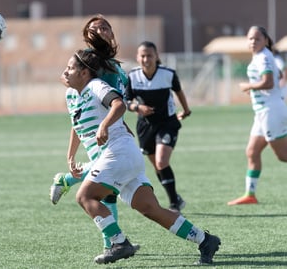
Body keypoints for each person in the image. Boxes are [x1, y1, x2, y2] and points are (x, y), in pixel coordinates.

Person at [61, 48, 220, 265]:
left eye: (70, 68)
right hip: (120, 157)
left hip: (118, 152)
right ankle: (205, 240)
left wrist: (105, 125)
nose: (65, 72)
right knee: (151, 209)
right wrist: (70, 155)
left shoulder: (96, 86)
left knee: (85, 196)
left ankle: (119, 243)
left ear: (84, 73)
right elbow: (76, 124)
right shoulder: (71, 95)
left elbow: (119, 104)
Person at [49, 14, 138, 254]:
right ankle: (67, 180)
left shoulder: (116, 65)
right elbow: (77, 87)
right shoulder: (93, 62)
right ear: (87, 36)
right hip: (99, 131)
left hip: (113, 128)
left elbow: (119, 100)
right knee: (103, 186)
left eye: (105, 26)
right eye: (94, 28)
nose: (101, 30)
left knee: (108, 192)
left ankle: (112, 243)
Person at [124, 41, 191, 212]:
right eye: (143, 56)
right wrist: (138, 108)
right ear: (138, 58)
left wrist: (186, 109)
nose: (146, 59)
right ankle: (176, 198)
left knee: (161, 162)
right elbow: (125, 102)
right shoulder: (132, 76)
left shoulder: (168, 74)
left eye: (150, 55)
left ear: (157, 57)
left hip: (167, 123)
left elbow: (178, 91)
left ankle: (174, 203)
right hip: (145, 126)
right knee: (157, 166)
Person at [227, 26, 287, 205]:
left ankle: (250, 193)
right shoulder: (263, 57)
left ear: (266, 41)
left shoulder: (264, 57)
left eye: (257, 38)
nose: (253, 42)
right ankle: (250, 194)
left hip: (271, 112)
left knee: (283, 156)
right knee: (252, 152)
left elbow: (268, 82)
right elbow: (278, 75)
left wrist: (249, 86)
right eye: (250, 38)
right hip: (262, 112)